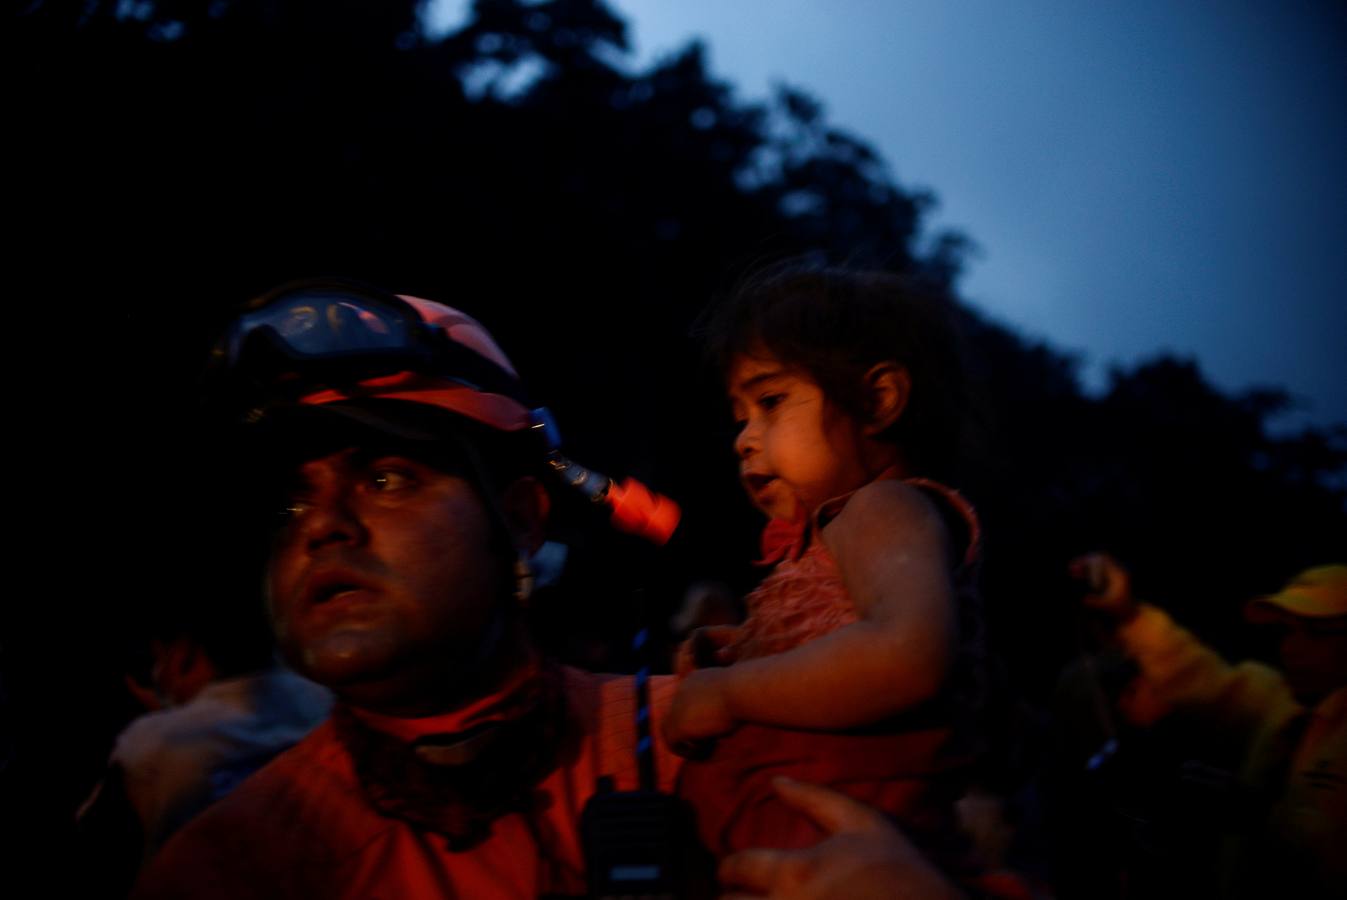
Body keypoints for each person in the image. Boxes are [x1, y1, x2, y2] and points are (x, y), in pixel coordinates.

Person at [133, 280, 685, 899]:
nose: (321, 526)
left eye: (386, 477)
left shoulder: (705, 751)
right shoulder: (219, 871)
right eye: (289, 507)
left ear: (522, 521)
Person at [665, 266, 985, 864]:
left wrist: (731, 693)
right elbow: (843, 641)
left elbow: (907, 655)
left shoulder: (884, 507)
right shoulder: (839, 533)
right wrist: (748, 644)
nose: (745, 439)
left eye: (770, 402)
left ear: (878, 399)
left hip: (846, 850)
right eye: (740, 417)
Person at [1072, 554, 1347, 900]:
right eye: (1287, 630)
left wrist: (1256, 812)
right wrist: (1128, 613)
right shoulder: (1281, 705)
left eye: (1319, 632)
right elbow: (1197, 676)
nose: (1291, 646)